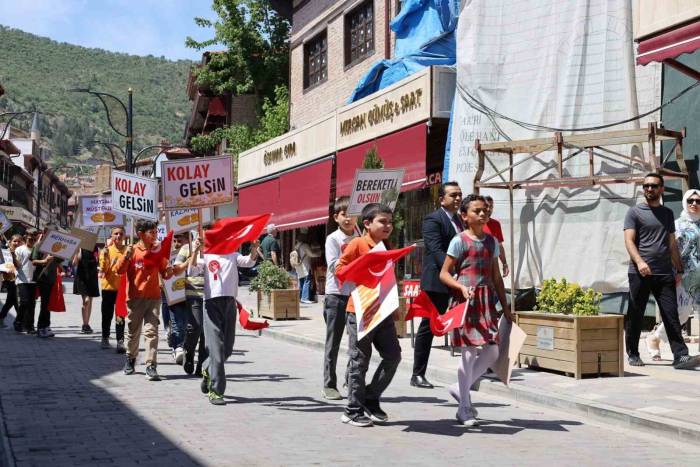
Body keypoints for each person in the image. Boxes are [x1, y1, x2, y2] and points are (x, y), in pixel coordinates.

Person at [439, 194, 511, 426]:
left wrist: (506, 309)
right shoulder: (458, 241)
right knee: (468, 353)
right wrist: (461, 286)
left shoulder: (491, 242)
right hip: (466, 302)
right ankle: (464, 408)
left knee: (492, 352)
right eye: (477, 211)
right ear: (464, 216)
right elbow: (444, 273)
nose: (482, 214)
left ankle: (461, 387)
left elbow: (496, 277)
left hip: (487, 302)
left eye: (485, 210)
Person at [336, 203, 401, 427]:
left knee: (393, 356)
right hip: (360, 311)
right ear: (367, 223)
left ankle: (371, 398)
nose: (388, 226)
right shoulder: (357, 243)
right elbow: (340, 270)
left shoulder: (386, 245)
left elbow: (387, 276)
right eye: (383, 221)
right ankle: (352, 409)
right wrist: (359, 267)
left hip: (383, 311)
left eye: (390, 222)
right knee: (359, 361)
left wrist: (395, 305)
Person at [623, 173, 696, 370]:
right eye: (646, 186)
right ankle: (633, 353)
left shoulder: (667, 214)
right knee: (636, 314)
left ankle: (680, 356)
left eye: (654, 186)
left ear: (661, 189)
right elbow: (629, 240)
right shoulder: (634, 213)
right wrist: (639, 262)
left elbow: (672, 244)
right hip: (640, 273)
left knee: (671, 314)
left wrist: (679, 269)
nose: (649, 189)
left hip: (664, 273)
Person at [197, 223, 259, 405]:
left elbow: (248, 262)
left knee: (227, 348)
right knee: (216, 348)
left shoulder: (233, 255)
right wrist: (196, 251)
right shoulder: (206, 256)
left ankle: (207, 368)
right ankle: (216, 391)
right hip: (211, 304)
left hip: (229, 303)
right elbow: (193, 268)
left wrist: (254, 249)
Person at [412, 181, 463, 389]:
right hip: (437, 282)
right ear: (442, 199)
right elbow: (436, 250)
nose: (458, 198)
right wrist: (454, 271)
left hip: (456, 280)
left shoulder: (460, 220)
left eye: (459, 194)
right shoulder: (433, 219)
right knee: (428, 327)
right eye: (453, 195)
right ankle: (417, 374)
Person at [116, 219, 173, 381]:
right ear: (141, 234)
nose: (155, 235)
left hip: (154, 298)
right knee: (133, 333)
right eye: (152, 232)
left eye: (156, 232)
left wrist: (170, 269)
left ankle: (151, 365)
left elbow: (166, 273)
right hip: (135, 298)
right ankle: (130, 358)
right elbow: (119, 271)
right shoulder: (132, 250)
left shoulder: (158, 251)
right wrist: (126, 257)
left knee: (151, 332)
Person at [646, 189, 700, 360]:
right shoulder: (677, 225)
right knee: (681, 313)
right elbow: (670, 250)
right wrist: (674, 272)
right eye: (691, 200)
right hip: (682, 276)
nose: (694, 204)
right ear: (685, 202)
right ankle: (655, 339)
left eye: (698, 201)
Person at [321, 196, 358, 400]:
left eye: (352, 214)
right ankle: (329, 384)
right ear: (336, 217)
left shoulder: (362, 236)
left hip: (357, 295)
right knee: (333, 342)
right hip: (336, 295)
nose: (348, 219)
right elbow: (335, 266)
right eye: (344, 214)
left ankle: (351, 378)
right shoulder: (333, 239)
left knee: (357, 343)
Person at [175, 233, 207, 376]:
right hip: (193, 294)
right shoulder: (186, 248)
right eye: (201, 235)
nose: (203, 238)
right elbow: (176, 269)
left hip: (210, 295)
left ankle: (202, 364)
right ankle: (188, 351)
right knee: (196, 326)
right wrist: (194, 251)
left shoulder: (214, 249)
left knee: (207, 331)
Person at [99, 227, 127, 352]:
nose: (118, 236)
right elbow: (103, 270)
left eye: (121, 233)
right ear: (111, 236)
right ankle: (105, 337)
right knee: (107, 315)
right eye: (116, 234)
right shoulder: (106, 251)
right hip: (108, 287)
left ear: (124, 236)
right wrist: (104, 257)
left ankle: (120, 341)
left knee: (120, 315)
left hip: (122, 288)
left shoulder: (128, 250)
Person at [31, 227, 61, 339]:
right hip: (42, 278)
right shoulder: (38, 245)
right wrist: (44, 261)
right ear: (44, 233)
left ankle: (46, 325)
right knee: (44, 304)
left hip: (51, 278)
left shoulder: (56, 246)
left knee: (48, 303)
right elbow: (33, 260)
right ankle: (40, 327)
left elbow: (59, 261)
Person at [166, 233, 189, 364]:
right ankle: (177, 348)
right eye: (174, 240)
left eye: (179, 240)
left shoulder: (193, 252)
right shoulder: (169, 254)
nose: (176, 243)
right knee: (177, 322)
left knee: (185, 324)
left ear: (187, 240)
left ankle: (181, 345)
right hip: (173, 292)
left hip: (190, 293)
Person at [14, 229, 40, 334]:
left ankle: (30, 326)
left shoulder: (38, 250)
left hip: (33, 280)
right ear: (26, 237)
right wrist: (12, 256)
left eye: (34, 239)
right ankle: (18, 321)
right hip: (22, 279)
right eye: (30, 238)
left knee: (32, 304)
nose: (32, 240)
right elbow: (18, 264)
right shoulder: (20, 249)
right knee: (24, 301)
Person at [73, 246, 100, 334]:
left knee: (90, 301)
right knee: (86, 301)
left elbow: (98, 261)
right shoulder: (80, 247)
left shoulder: (95, 248)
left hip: (92, 276)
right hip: (82, 277)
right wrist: (77, 253)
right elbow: (74, 263)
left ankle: (87, 324)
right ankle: (84, 324)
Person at [482, 195, 509, 277]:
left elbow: (499, 246)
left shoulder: (495, 224)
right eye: (486, 206)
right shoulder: (475, 223)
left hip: (493, 266)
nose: (489, 209)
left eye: (491, 207)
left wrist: (504, 263)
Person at [0, 234, 23, 329]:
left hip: (20, 278)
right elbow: (2, 263)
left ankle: (2, 318)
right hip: (9, 278)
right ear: (10, 242)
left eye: (19, 241)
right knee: (15, 299)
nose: (17, 243)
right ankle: (20, 321)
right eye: (15, 241)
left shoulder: (21, 251)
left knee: (11, 300)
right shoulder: (5, 252)